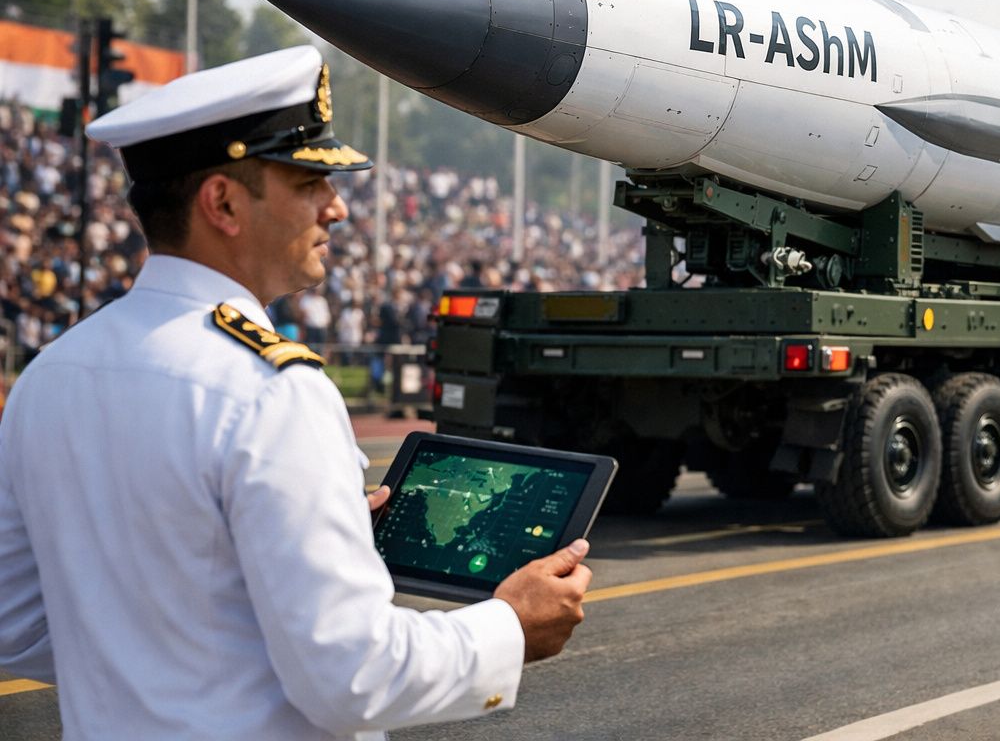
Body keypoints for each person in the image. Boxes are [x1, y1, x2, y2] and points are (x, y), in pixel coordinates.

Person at [0, 46, 591, 739]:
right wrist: (509, 627)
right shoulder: (268, 389)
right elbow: (356, 681)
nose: (336, 209)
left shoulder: (52, 373)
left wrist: (178, 653)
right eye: (310, 181)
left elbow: (18, 629)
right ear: (222, 202)